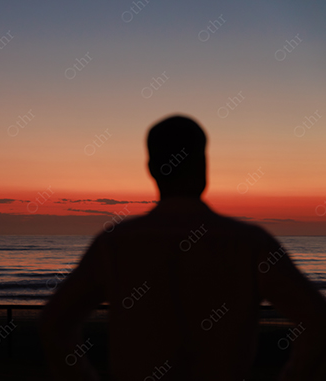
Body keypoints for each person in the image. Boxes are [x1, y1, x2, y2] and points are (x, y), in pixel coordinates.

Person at [40, 115, 326, 380]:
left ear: (151, 168)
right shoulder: (251, 242)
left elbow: (55, 323)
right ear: (203, 165)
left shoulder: (116, 243)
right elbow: (317, 320)